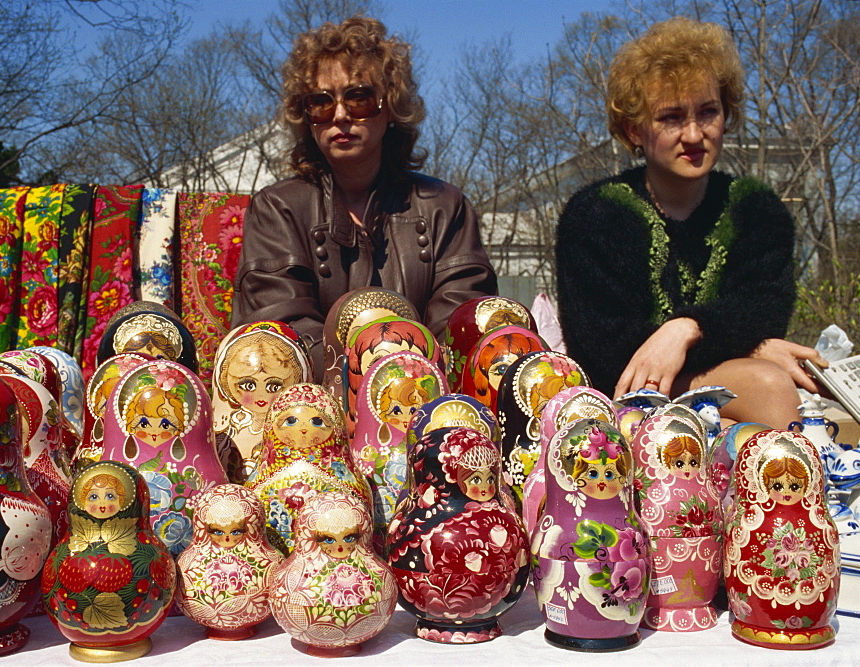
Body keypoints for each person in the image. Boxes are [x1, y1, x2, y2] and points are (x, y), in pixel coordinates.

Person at [556, 17, 825, 429]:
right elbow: (604, 350)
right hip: (625, 402)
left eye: (708, 112)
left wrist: (686, 330)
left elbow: (763, 311)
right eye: (671, 118)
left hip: (728, 387)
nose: (695, 134)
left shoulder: (755, 208)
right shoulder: (596, 214)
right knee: (767, 382)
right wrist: (748, 348)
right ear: (635, 130)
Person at [231, 16, 497, 372]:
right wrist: (360, 374)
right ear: (307, 118)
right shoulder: (277, 208)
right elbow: (281, 327)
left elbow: (461, 326)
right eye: (321, 103)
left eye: (358, 98)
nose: (340, 115)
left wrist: (405, 376)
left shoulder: (445, 207)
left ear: (390, 108)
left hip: (424, 397)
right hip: (308, 412)